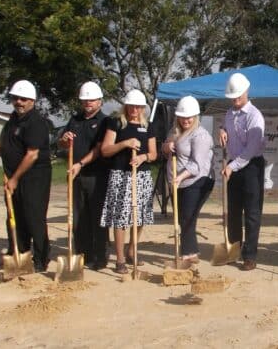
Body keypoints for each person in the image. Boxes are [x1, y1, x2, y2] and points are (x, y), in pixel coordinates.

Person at [0, 80, 52, 272]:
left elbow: (32, 154)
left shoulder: (36, 122)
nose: (19, 102)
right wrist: (1, 146)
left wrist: (15, 179)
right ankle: (17, 253)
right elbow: (7, 139)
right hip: (12, 175)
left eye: (23, 99)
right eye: (15, 98)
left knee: (33, 216)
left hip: (33, 177)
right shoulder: (14, 118)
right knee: (14, 215)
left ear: (32, 101)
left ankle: (41, 259)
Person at [100, 89, 157, 274]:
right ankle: (120, 259)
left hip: (141, 176)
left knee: (139, 216)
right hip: (120, 174)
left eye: (139, 106)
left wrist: (143, 158)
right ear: (126, 106)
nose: (135, 109)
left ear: (143, 108)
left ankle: (132, 249)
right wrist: (125, 144)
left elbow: (154, 154)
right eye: (132, 105)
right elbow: (105, 150)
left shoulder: (148, 126)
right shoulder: (116, 123)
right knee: (121, 217)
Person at [58, 81, 110, 270]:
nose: (88, 103)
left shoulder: (105, 121)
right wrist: (64, 141)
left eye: (92, 100)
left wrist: (80, 164)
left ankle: (100, 256)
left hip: (96, 176)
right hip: (76, 176)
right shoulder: (75, 120)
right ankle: (83, 253)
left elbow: (98, 149)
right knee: (79, 217)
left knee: (97, 217)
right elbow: (63, 143)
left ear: (100, 101)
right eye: (85, 100)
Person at [218, 73, 266, 271]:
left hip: (251, 166)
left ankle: (250, 256)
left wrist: (231, 166)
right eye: (232, 97)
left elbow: (250, 150)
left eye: (238, 96)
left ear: (246, 92)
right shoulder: (229, 113)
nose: (235, 100)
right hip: (233, 165)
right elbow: (225, 126)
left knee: (252, 213)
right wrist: (221, 129)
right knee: (233, 211)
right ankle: (233, 251)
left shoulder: (255, 116)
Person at [162, 96, 215, 263]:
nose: (186, 120)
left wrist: (180, 177)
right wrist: (166, 146)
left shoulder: (201, 135)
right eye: (183, 116)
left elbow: (196, 165)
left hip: (197, 180)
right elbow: (164, 149)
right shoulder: (174, 131)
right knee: (181, 218)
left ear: (195, 117)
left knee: (187, 216)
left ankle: (188, 254)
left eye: (189, 117)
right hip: (177, 182)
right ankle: (191, 252)